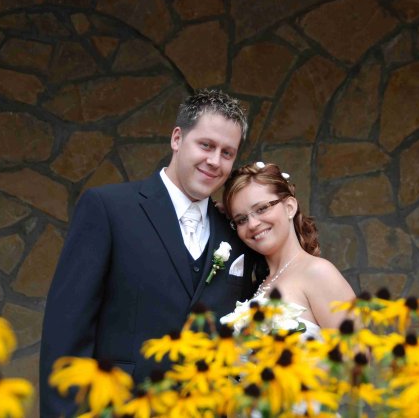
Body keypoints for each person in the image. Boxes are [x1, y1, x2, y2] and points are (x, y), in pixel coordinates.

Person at [39, 90, 259, 417]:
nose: (215, 161)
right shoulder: (108, 209)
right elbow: (66, 332)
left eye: (227, 152)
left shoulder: (236, 232)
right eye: (206, 145)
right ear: (177, 138)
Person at [221, 162, 355, 338]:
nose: (252, 224)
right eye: (241, 220)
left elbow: (357, 352)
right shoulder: (256, 286)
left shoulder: (318, 273)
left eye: (262, 209)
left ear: (289, 207)